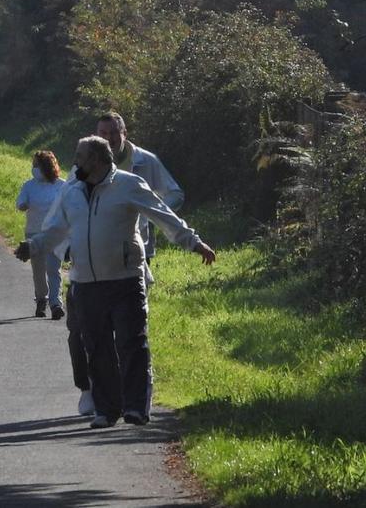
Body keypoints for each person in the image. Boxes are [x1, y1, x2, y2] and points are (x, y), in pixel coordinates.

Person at [14, 136, 215, 429]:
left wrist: (194, 243)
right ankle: (107, 410)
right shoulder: (71, 191)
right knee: (96, 348)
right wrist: (33, 246)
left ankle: (135, 407)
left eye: (80, 156)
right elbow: (55, 230)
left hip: (125, 279)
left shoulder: (128, 185)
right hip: (85, 282)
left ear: (96, 159)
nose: (76, 162)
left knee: (132, 343)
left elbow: (163, 215)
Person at [96, 112, 185, 260]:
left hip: (138, 249)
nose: (108, 139)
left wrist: (149, 212)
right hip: (99, 249)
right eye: (103, 133)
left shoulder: (146, 160)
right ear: (96, 135)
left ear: (124, 133)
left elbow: (175, 194)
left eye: (114, 133)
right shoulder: (87, 162)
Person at [16, 151, 65, 319]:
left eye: (37, 165)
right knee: (38, 270)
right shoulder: (28, 185)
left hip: (55, 233)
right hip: (33, 233)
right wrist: (23, 205)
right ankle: (41, 299)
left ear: (47, 166)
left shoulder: (61, 185)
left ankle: (55, 302)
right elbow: (20, 203)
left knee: (53, 268)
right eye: (33, 165)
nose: (34, 169)